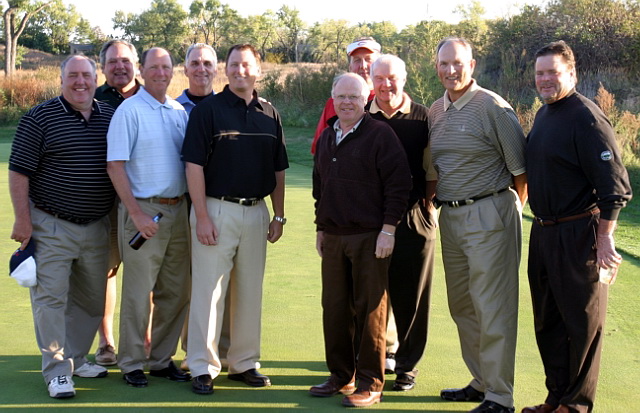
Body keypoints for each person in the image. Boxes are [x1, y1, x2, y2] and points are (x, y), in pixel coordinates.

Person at [522, 41, 632, 413]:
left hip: (579, 234)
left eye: (552, 72)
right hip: (544, 232)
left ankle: (576, 405)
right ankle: (556, 398)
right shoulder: (544, 114)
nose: (545, 79)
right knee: (548, 322)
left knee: (582, 325)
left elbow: (615, 186)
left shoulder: (586, 117)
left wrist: (605, 239)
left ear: (571, 73)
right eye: (540, 73)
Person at [182, 43, 288, 395]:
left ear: (258, 69)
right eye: (234, 65)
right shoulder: (207, 111)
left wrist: (279, 215)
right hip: (216, 209)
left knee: (249, 291)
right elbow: (193, 165)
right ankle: (202, 365)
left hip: (257, 212)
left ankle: (243, 363)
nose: (240, 70)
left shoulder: (270, 113)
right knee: (208, 291)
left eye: (246, 65)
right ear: (225, 69)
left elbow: (278, 169)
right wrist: (201, 216)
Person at [428, 37, 527, 413]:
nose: (450, 70)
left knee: (493, 307)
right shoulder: (436, 110)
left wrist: (507, 213)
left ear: (472, 65)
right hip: (451, 217)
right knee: (463, 305)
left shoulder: (493, 107)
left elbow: (521, 172)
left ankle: (500, 397)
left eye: (458, 63)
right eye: (444, 63)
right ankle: (482, 380)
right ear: (436, 66)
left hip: (490, 213)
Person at [8, 55, 116, 398]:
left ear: (96, 79)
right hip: (51, 224)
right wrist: (23, 220)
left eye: (86, 75)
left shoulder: (110, 116)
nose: (80, 82)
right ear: (61, 79)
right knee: (51, 300)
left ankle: (76, 358)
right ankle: (57, 372)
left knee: (91, 301)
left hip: (96, 226)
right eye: (73, 76)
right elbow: (18, 171)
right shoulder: (39, 117)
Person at [310, 72, 412, 408]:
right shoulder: (328, 136)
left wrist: (388, 229)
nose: (347, 102)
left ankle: (371, 383)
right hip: (334, 236)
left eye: (354, 97)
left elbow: (399, 184)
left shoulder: (380, 135)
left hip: (370, 236)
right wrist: (321, 227)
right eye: (341, 96)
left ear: (365, 99)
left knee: (371, 311)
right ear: (333, 99)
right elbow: (320, 186)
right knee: (334, 309)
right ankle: (342, 376)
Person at [107, 47, 191, 388]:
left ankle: (160, 360)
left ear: (173, 71)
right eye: (154, 67)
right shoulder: (129, 110)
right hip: (144, 212)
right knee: (139, 293)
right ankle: (131, 362)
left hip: (179, 210)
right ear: (142, 70)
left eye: (166, 67)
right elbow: (115, 166)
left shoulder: (177, 111)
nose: (160, 73)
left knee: (176, 290)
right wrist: (136, 213)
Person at [367, 54, 437, 392]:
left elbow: (432, 169)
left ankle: (407, 366)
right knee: (369, 296)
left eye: (392, 77)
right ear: (371, 80)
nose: (385, 84)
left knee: (412, 298)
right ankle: (369, 360)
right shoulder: (362, 116)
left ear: (404, 78)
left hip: (413, 218)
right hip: (369, 218)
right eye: (379, 78)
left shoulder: (424, 117)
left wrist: (427, 207)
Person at [93, 38, 141, 367]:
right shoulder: (91, 99)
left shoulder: (152, 97)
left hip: (147, 203)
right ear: (103, 67)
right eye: (113, 61)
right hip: (105, 204)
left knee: (144, 273)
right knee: (106, 272)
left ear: (136, 64)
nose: (120, 66)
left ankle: (144, 340)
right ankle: (106, 342)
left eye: (125, 60)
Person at [176, 43, 217, 114]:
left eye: (207, 64)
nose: (201, 69)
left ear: (215, 71)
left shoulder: (227, 108)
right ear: (186, 70)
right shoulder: (174, 109)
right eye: (195, 64)